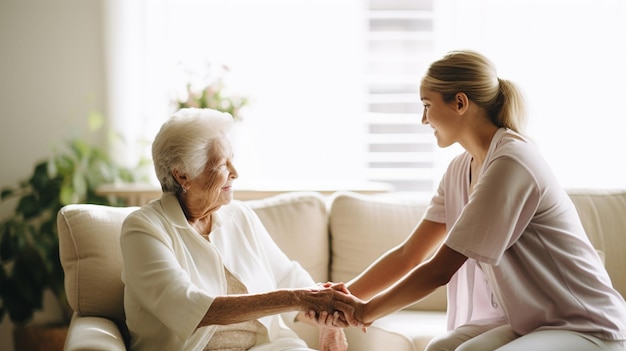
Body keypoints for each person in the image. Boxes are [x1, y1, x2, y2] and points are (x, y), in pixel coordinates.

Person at [324, 50, 626, 350]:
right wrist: (339, 298)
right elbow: (409, 254)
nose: (423, 119)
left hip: (585, 323)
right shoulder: (459, 170)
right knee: (440, 347)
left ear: (459, 103)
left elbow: (440, 270)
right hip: (532, 321)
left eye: (427, 105)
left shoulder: (512, 161)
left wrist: (366, 311)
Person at [120, 107, 353, 351]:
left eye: (233, 159)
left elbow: (286, 276)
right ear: (183, 176)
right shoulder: (143, 229)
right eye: (222, 164)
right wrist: (299, 298)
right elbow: (189, 308)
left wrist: (325, 315)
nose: (235, 173)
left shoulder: (239, 216)